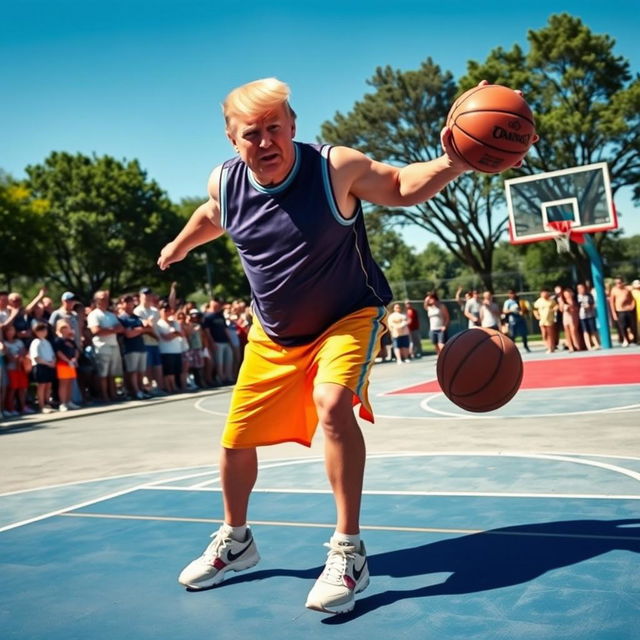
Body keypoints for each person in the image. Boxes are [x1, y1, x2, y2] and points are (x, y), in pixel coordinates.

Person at [156, 77, 523, 614]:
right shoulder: (226, 182)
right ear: (233, 141)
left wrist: (456, 162)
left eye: (274, 129)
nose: (265, 142)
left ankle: (349, 550)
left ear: (293, 127)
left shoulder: (334, 168)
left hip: (347, 317)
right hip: (274, 332)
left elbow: (398, 186)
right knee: (235, 438)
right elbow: (213, 215)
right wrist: (179, 245)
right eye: (251, 133)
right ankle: (236, 540)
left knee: (332, 405)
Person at [87, 290, 124, 402]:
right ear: (97, 300)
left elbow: (121, 328)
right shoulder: (94, 315)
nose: (106, 301)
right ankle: (104, 395)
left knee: (112, 373)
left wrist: (107, 330)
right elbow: (96, 330)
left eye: (107, 299)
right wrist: (113, 330)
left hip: (113, 345)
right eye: (103, 299)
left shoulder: (111, 315)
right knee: (103, 373)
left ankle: (113, 394)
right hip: (102, 347)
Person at [118, 295, 149, 400]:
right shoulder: (122, 318)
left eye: (130, 302)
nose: (129, 304)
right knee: (132, 371)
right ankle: (135, 391)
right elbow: (128, 334)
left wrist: (137, 330)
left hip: (140, 346)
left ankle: (141, 389)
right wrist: (140, 330)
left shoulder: (136, 317)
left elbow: (145, 329)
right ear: (122, 304)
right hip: (130, 348)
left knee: (141, 371)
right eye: (126, 302)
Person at [53, 319, 80, 411]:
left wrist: (74, 359)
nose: (65, 329)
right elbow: (58, 352)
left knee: (70, 383)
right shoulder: (58, 340)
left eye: (66, 327)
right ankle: (63, 403)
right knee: (63, 384)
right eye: (63, 327)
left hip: (71, 365)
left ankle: (69, 401)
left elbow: (76, 350)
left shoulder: (70, 340)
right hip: (62, 364)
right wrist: (67, 360)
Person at [29, 322, 57, 413]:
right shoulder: (35, 342)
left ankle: (47, 403)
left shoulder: (47, 342)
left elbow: (52, 355)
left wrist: (53, 362)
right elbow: (36, 357)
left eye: (45, 330)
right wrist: (48, 364)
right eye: (41, 330)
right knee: (42, 385)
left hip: (49, 366)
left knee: (49, 385)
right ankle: (41, 406)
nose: (44, 332)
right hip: (40, 366)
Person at [609, 276, 637, 346]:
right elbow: (612, 302)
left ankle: (634, 339)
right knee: (622, 326)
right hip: (620, 311)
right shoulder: (614, 290)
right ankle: (625, 339)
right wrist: (614, 313)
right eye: (616, 283)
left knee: (632, 325)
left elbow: (632, 298)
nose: (618, 284)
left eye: (619, 283)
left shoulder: (627, 289)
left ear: (622, 282)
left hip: (628, 310)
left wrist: (632, 305)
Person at [533, 289, 559, 353]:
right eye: (543, 293)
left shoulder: (551, 301)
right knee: (544, 334)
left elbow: (556, 306)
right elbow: (535, 309)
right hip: (542, 320)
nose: (544, 294)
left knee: (550, 334)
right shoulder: (538, 301)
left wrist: (554, 309)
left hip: (550, 320)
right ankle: (548, 346)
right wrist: (537, 315)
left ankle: (551, 347)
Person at [576, 283, 600, 350]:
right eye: (579, 288)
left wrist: (589, 306)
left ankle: (596, 344)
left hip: (590, 315)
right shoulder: (577, 297)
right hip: (582, 316)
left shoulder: (589, 295)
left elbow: (592, 304)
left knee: (593, 330)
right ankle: (588, 346)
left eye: (582, 288)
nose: (580, 290)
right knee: (585, 331)